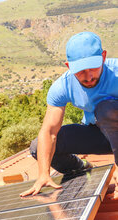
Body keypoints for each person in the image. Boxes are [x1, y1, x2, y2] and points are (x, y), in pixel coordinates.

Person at [21, 31, 118, 197]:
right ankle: (81, 167)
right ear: (68, 66)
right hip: (99, 135)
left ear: (103, 56)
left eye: (93, 68)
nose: (88, 76)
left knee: (106, 109)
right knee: (38, 147)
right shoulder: (62, 87)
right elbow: (49, 132)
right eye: (80, 71)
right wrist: (43, 174)